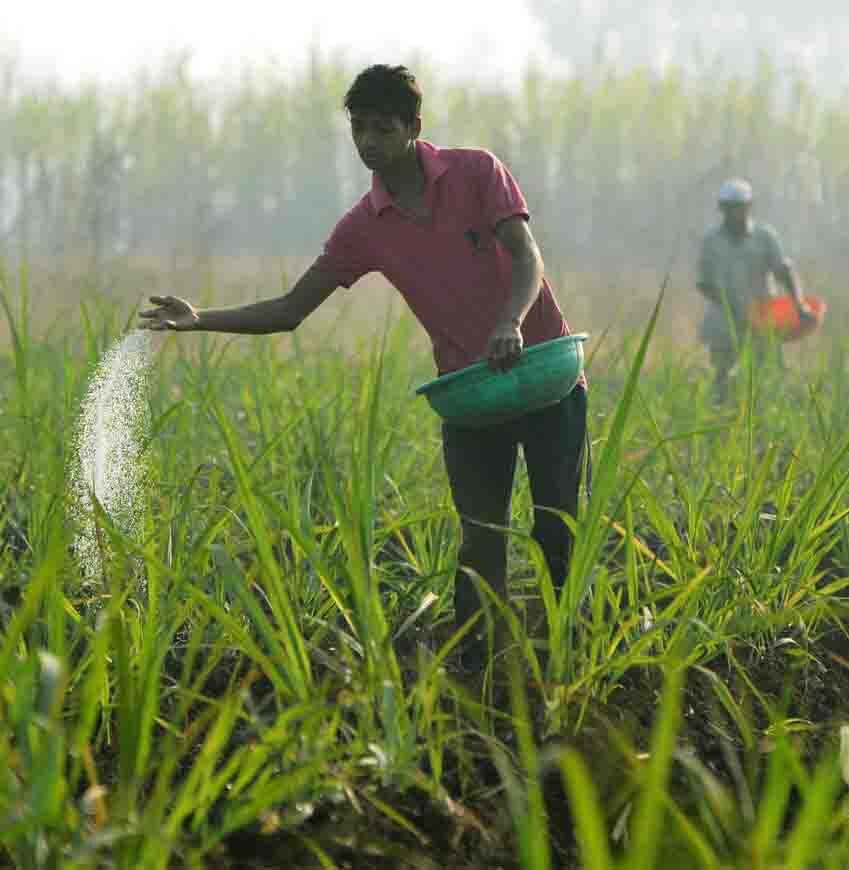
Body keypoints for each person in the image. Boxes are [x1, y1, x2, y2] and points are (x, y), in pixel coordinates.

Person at [139, 65, 588, 669]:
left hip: (544, 373)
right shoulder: (364, 227)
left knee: (557, 528)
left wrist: (511, 320)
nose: (368, 142)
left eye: (381, 128)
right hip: (473, 391)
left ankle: (564, 658)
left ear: (413, 128)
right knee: (480, 540)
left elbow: (527, 256)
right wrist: (200, 319)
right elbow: (290, 310)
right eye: (358, 128)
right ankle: (477, 671)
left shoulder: (477, 172)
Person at [697, 179, 816, 400]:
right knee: (722, 376)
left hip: (762, 318)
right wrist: (731, 309)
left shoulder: (764, 236)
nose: (735, 213)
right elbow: (704, 283)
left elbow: (784, 271)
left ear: (749, 207)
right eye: (729, 207)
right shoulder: (711, 240)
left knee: (768, 375)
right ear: (721, 208)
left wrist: (800, 305)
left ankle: (763, 419)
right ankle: (722, 419)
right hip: (724, 320)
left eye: (740, 207)